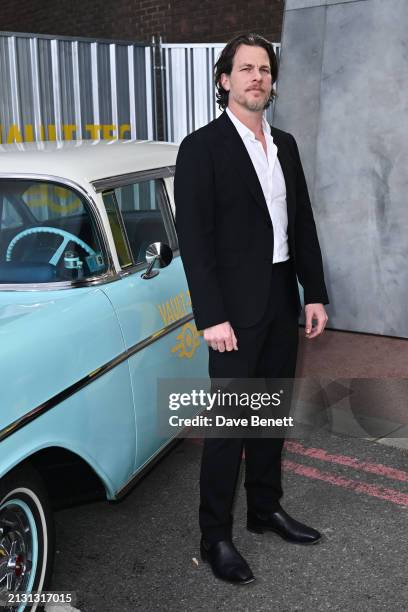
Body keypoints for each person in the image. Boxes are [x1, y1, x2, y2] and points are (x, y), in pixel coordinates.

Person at [174, 33, 329, 585]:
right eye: (245, 69)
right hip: (233, 312)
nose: (256, 77)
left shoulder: (284, 144)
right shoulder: (201, 147)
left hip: (282, 295)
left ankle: (265, 509)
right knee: (229, 427)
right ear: (225, 80)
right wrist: (211, 316)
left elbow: (301, 224)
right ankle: (215, 534)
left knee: (269, 417)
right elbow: (195, 239)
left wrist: (314, 292)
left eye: (264, 69)